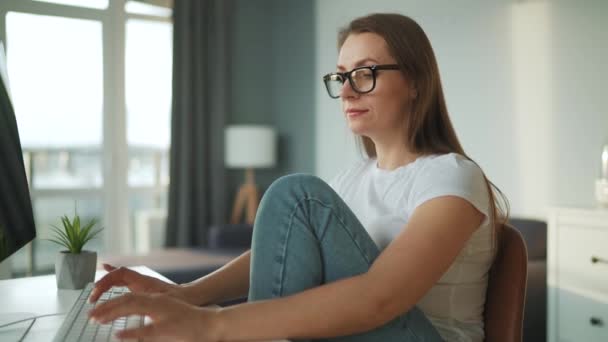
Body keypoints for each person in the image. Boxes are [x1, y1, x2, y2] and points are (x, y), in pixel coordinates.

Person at [88, 13, 508, 342]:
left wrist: (211, 326)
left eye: (365, 73)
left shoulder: (453, 177)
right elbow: (279, 251)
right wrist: (185, 295)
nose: (345, 91)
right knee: (296, 200)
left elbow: (381, 297)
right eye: (341, 76)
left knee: (298, 195)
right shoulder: (354, 178)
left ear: (416, 82)